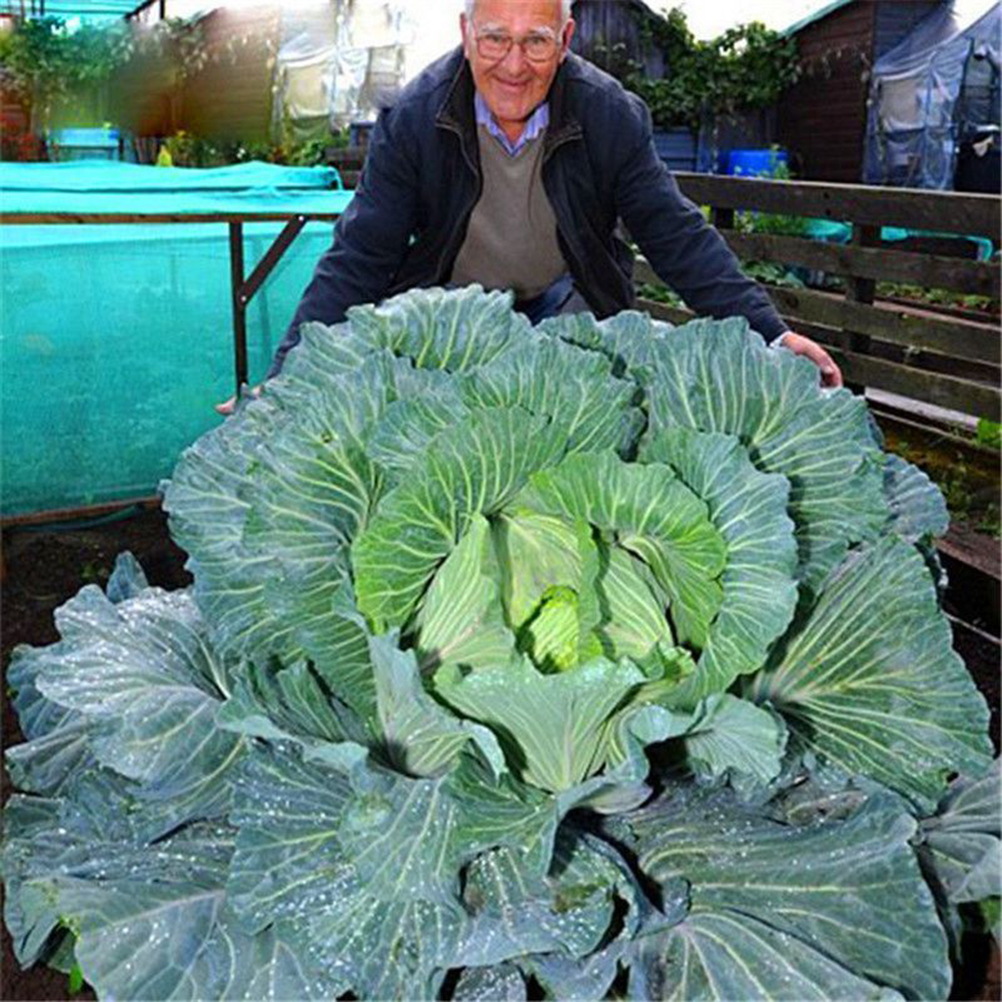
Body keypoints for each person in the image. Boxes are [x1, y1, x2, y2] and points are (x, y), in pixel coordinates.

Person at [218, 0, 840, 413]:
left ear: (565, 40)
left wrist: (771, 332)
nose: (514, 66)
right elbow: (361, 255)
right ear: (466, 34)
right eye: (495, 38)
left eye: (536, 42)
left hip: (567, 307)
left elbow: (676, 235)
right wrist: (288, 375)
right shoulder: (414, 118)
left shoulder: (608, 114)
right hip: (449, 319)